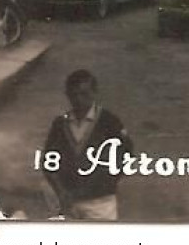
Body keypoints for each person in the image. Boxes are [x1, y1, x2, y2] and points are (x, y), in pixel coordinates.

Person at [41, 70, 133, 220]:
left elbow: (125, 156)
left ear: (94, 93)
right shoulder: (60, 124)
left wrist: (106, 184)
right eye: (73, 95)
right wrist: (60, 191)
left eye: (84, 94)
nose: (78, 100)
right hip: (68, 202)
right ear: (67, 95)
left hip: (99, 203)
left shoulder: (109, 122)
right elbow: (48, 161)